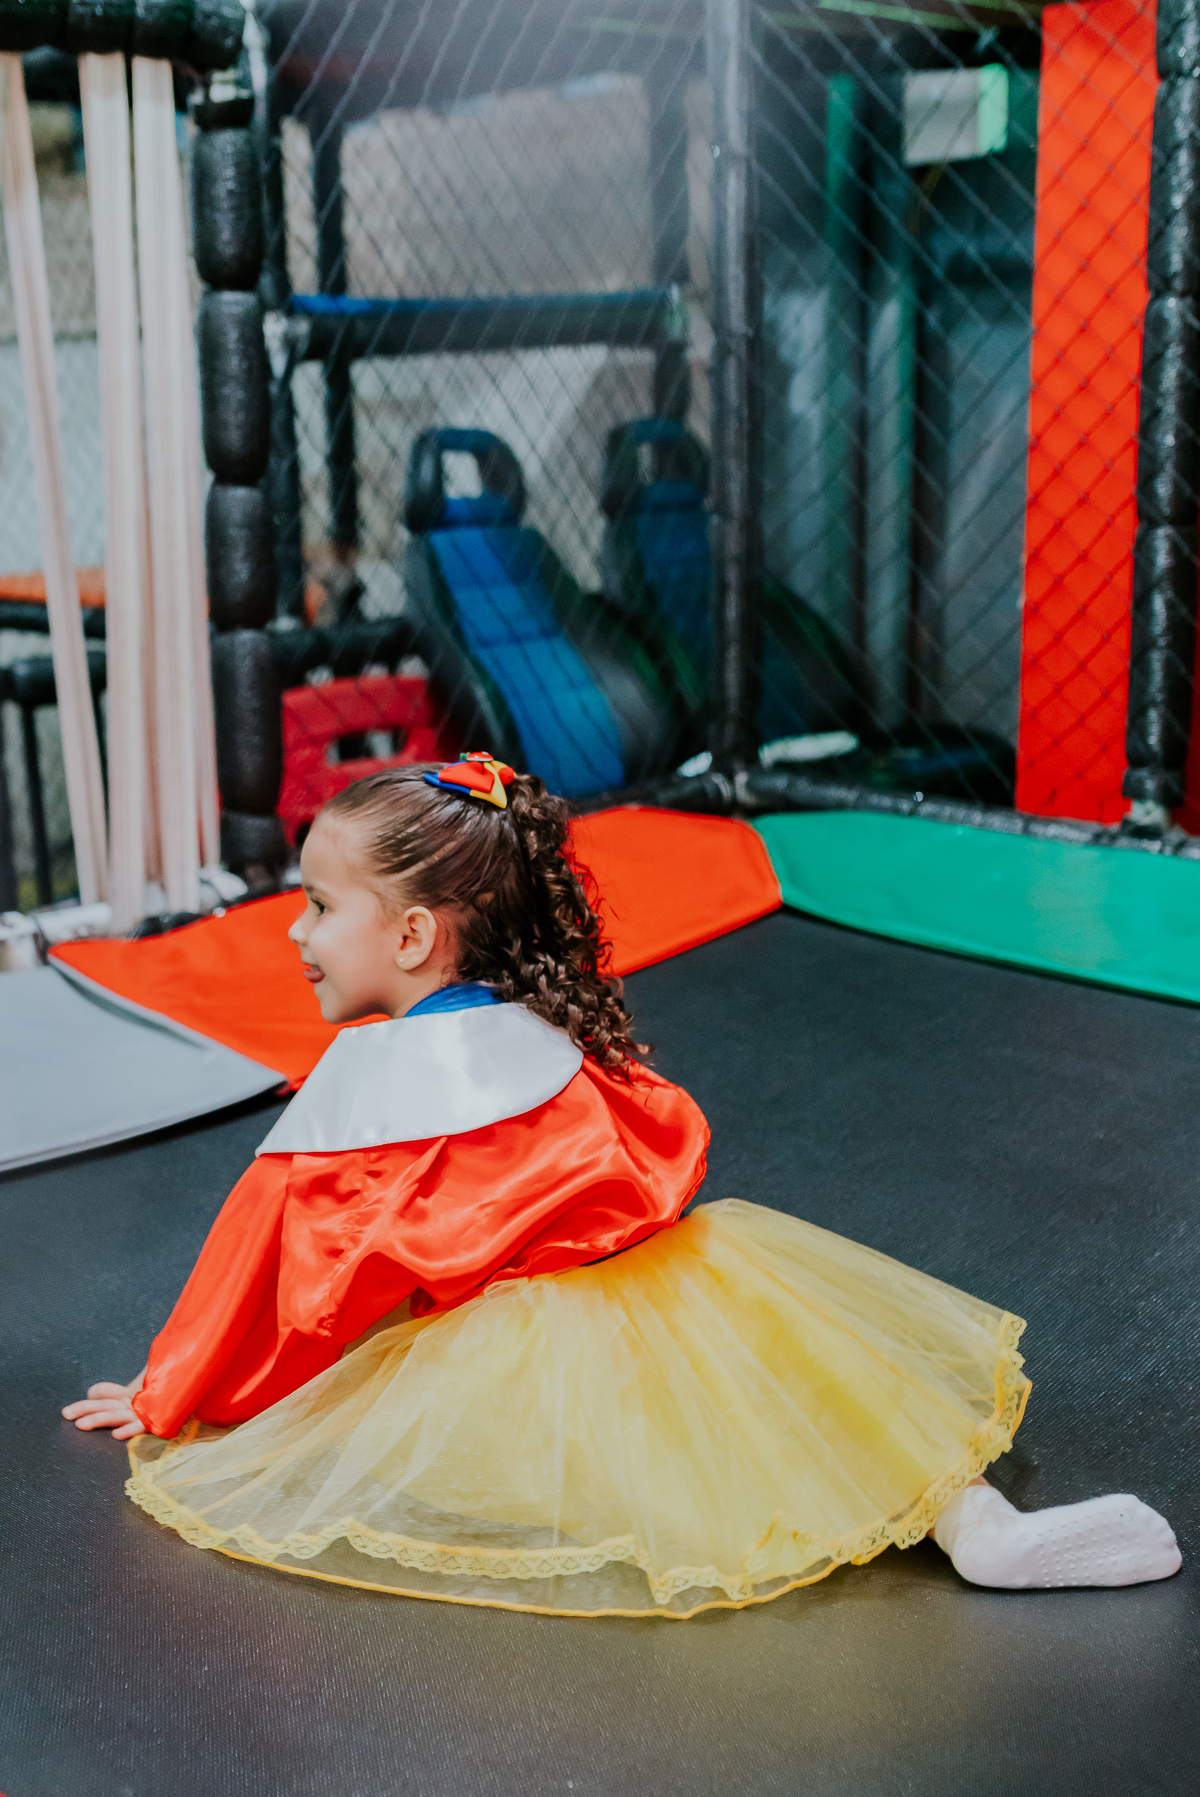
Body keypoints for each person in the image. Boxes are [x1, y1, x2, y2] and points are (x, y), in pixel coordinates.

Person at [64, 757, 1181, 1617]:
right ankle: (974, 1525)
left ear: (410, 933)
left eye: (315, 906)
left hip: (524, 1358)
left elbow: (284, 1269)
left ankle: (936, 1537)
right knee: (800, 1386)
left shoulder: (376, 1080)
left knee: (643, 1469)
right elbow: (656, 1145)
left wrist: (174, 1395)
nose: (298, 933)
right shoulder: (543, 1031)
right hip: (688, 1280)